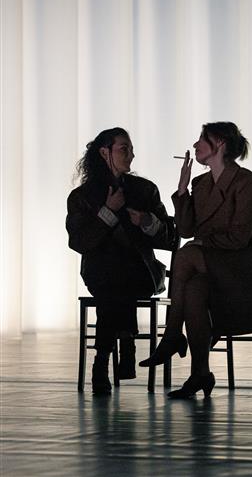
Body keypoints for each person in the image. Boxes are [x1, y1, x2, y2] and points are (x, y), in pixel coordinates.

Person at [139, 121, 252, 399]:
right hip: (218, 269)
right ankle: (200, 373)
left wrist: (202, 243)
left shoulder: (248, 183)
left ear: (220, 143)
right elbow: (186, 230)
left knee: (187, 254)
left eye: (202, 138)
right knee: (194, 288)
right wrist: (182, 190)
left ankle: (172, 335)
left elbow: (239, 239)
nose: (195, 144)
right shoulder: (200, 184)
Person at [67, 128, 175, 394]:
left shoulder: (145, 190)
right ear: (105, 153)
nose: (131, 155)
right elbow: (79, 242)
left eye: (131, 149)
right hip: (101, 274)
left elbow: (170, 239)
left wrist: (147, 222)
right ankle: (126, 340)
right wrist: (108, 212)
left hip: (141, 273)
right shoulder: (82, 197)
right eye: (124, 149)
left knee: (116, 279)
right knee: (112, 276)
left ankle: (102, 360)